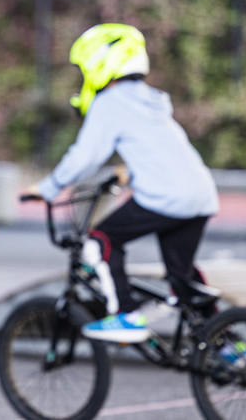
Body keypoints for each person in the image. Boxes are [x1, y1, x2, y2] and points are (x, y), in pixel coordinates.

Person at [22, 23, 218, 343]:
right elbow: (159, 149)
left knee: (100, 241)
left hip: (165, 197)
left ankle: (125, 316)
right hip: (200, 196)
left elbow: (85, 157)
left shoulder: (111, 102)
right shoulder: (151, 100)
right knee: (181, 278)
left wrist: (46, 189)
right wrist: (129, 171)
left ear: (101, 63)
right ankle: (225, 342)